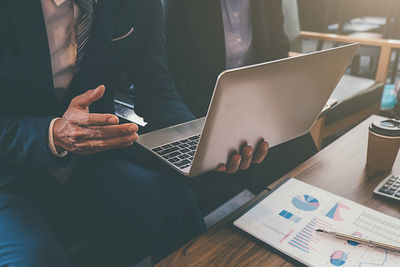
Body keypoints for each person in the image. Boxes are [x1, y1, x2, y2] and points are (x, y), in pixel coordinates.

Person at [0, 0, 269, 266]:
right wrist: (52, 133)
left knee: (177, 205)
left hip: (91, 159)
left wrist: (200, 142)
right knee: (37, 259)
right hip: (9, 169)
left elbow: (157, 89)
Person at [165, 0, 317, 201]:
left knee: (299, 144)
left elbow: (279, 53)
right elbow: (170, 77)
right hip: (204, 108)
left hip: (260, 103)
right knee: (249, 163)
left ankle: (305, 211)